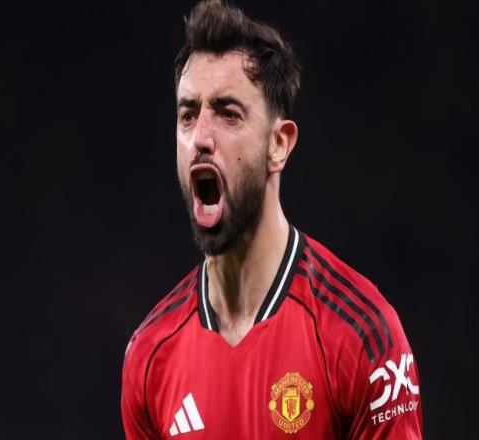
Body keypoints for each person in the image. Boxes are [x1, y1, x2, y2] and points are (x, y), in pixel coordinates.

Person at [121, 1, 423, 438]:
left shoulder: (361, 335)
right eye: (188, 115)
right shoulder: (150, 354)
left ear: (278, 144)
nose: (200, 137)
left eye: (228, 114)